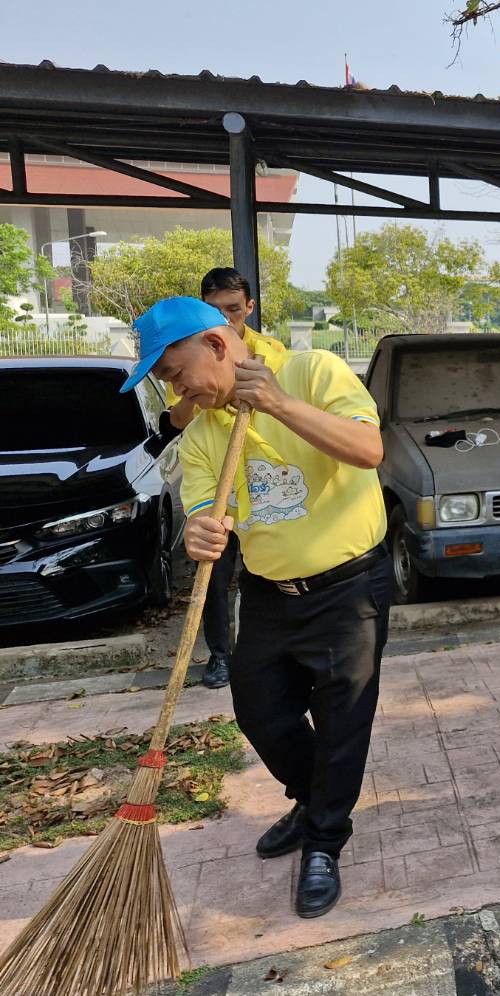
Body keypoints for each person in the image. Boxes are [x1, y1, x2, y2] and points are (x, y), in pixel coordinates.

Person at [122, 296, 389, 920]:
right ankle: (312, 796)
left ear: (215, 346)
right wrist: (199, 530)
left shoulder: (313, 371)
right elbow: (203, 509)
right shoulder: (205, 428)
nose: (174, 389)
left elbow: (368, 451)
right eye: (164, 381)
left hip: (348, 588)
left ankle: (324, 841)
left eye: (173, 371)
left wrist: (278, 404)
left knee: (343, 720)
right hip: (269, 591)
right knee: (260, 710)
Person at [162, 268, 287, 690]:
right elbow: (177, 419)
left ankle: (269, 651)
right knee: (213, 567)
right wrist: (201, 394)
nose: (227, 317)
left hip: (263, 477)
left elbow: (284, 401)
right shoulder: (181, 358)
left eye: (234, 309)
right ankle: (220, 654)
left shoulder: (269, 350)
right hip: (213, 470)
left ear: (248, 308)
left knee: (262, 568)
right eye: (215, 310)